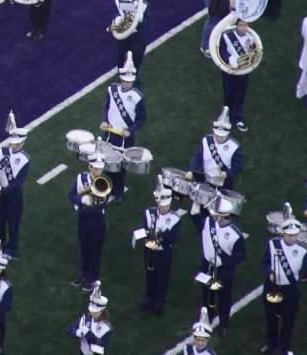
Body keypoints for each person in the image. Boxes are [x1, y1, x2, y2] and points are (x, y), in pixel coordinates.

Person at [197, 196, 246, 336]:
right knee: (206, 293)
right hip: (207, 265)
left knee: (224, 297)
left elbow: (240, 256)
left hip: (224, 271)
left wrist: (223, 262)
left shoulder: (235, 235)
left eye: (216, 214)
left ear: (222, 215)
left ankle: (224, 324)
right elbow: (197, 223)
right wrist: (194, 211)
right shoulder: (208, 222)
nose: (213, 216)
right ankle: (207, 317)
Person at [263, 216, 307, 353]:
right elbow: (265, 262)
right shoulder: (272, 243)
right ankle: (271, 343)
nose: (292, 238)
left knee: (288, 320)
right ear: (283, 233)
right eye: (289, 235)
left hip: (290, 289)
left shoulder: (303, 250)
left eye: (294, 235)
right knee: (270, 316)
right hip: (271, 285)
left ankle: (283, 348)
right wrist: (269, 273)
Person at [101, 52, 145, 198]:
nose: (127, 83)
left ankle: (118, 192)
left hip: (125, 138)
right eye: (125, 81)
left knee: (120, 167)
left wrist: (130, 131)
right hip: (110, 134)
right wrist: (104, 121)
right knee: (107, 163)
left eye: (129, 81)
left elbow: (141, 120)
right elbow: (107, 107)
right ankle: (108, 188)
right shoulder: (111, 90)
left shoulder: (138, 97)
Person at [135, 182, 183, 314]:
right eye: (161, 206)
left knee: (162, 277)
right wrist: (147, 233)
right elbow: (143, 227)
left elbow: (174, 238)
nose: (163, 208)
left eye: (166, 206)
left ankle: (159, 302)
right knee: (149, 275)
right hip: (149, 250)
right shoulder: (149, 212)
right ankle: (149, 298)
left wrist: (162, 234)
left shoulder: (175, 219)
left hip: (163, 253)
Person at [186, 109, 244, 214]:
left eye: (222, 136)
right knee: (201, 209)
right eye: (217, 135)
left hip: (224, 184)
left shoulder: (234, 147)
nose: (219, 138)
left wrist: (227, 173)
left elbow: (238, 166)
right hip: (205, 179)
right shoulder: (206, 141)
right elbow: (198, 157)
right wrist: (191, 170)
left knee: (219, 210)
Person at [70, 153, 110, 290]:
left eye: (100, 169)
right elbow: (71, 195)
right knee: (84, 247)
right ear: (90, 167)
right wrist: (82, 199)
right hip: (83, 219)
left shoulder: (104, 182)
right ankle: (83, 274)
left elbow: (100, 206)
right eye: (96, 168)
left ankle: (92, 278)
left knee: (95, 250)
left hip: (97, 220)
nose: (98, 171)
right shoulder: (81, 178)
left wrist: (82, 208)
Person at [0, 112, 30, 258]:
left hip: (13, 196)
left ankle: (12, 249)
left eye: (17, 143)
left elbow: (17, 183)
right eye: (13, 142)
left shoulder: (25, 159)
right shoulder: (2, 151)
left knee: (13, 223)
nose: (14, 145)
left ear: (23, 143)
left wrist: (0, 191)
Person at [218, 19, 257, 131]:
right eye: (241, 25)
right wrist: (230, 59)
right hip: (228, 70)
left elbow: (253, 53)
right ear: (236, 26)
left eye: (245, 25)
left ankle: (238, 118)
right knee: (228, 93)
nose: (243, 28)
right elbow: (221, 49)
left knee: (240, 93)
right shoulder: (227, 35)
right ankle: (225, 116)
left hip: (243, 71)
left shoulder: (251, 37)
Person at [110, 0, 148, 73]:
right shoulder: (120, 1)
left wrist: (138, 19)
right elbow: (115, 15)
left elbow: (145, 22)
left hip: (137, 39)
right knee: (121, 62)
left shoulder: (144, 5)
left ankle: (133, 79)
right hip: (124, 40)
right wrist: (118, 20)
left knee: (135, 64)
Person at [70, 283, 112, 353]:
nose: (92, 313)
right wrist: (78, 333)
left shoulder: (107, 327)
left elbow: (102, 345)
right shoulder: (84, 319)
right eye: (92, 311)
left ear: (102, 311)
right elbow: (71, 330)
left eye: (96, 312)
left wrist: (89, 335)